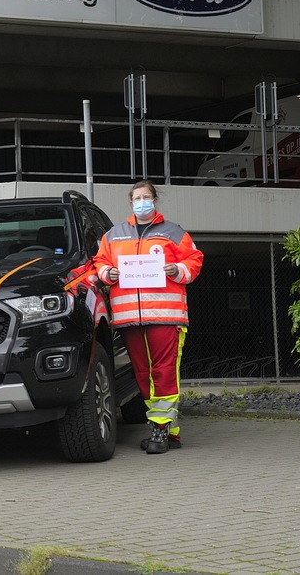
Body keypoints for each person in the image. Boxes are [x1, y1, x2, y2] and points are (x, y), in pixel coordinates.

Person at [93, 180, 203, 455]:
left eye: (147, 197)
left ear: (155, 200)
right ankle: (169, 431)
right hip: (130, 319)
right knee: (143, 375)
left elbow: (194, 260)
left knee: (163, 372)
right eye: (137, 197)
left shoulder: (173, 232)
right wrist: (107, 274)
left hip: (165, 316)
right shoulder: (114, 235)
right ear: (131, 203)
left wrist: (177, 269)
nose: (142, 201)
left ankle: (160, 430)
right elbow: (100, 263)